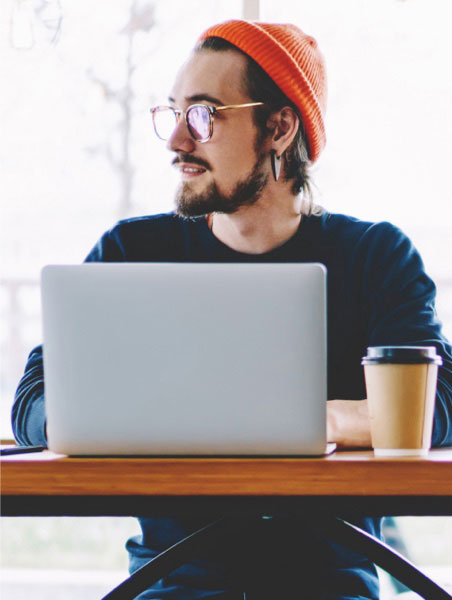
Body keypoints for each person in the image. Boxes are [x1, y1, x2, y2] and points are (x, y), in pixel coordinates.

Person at [12, 19, 452, 600]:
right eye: (173, 114)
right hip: (169, 583)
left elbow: (439, 406)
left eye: (203, 115)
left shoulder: (374, 258)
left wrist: (317, 423)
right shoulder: (132, 253)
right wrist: (79, 423)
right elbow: (33, 398)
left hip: (330, 583)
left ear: (278, 126)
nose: (176, 141)